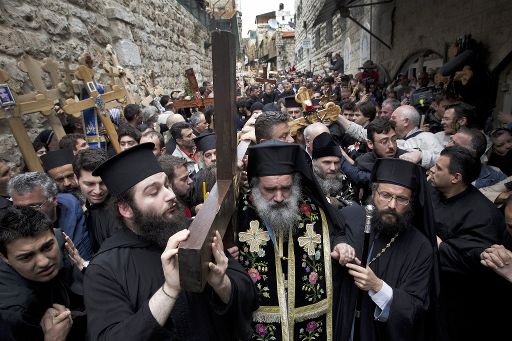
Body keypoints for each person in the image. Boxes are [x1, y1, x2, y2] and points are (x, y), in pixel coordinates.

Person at [84, 143, 258, 340]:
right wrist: (170, 290)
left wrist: (222, 284)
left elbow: (249, 295)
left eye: (166, 185)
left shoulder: (193, 232)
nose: (170, 195)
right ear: (125, 209)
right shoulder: (104, 269)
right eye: (153, 192)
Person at [236, 141, 345, 340]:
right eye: (269, 189)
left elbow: (338, 230)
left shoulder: (313, 212)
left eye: (286, 188)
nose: (279, 197)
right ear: (254, 184)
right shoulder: (238, 215)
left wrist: (341, 243)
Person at [333, 158, 438, 341]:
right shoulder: (350, 216)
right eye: (386, 195)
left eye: (402, 199)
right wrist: (339, 244)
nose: (392, 205)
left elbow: (415, 307)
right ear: (374, 193)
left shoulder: (420, 247)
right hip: (340, 324)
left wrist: (377, 286)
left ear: (411, 202)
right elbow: (332, 233)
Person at [429, 146, 507, 341]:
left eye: (439, 168)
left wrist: (436, 243)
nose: (432, 170)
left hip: (457, 303)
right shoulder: (433, 192)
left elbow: (470, 260)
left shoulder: (483, 216)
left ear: (455, 177)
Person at [0, 207, 86, 340]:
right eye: (27, 257)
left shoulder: (59, 238)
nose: (43, 262)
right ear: (5, 258)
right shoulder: (13, 311)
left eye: (47, 247)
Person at [8, 172, 92, 260]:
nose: (24, 213)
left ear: (54, 200)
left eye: (33, 206)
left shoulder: (71, 207)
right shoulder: (10, 228)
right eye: (18, 207)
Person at [73, 148, 118, 253]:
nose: (98, 191)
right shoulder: (85, 209)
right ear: (76, 179)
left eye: (103, 183)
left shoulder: (119, 211)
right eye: (89, 184)